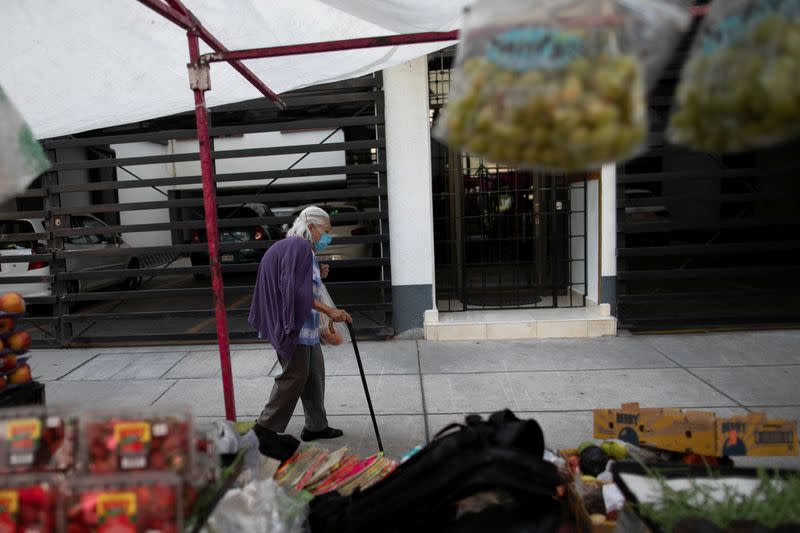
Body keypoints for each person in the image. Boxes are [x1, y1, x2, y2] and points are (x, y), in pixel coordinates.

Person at [248, 206, 352, 455]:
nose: (328, 236)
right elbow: (294, 290)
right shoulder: (298, 247)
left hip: (304, 323)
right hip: (292, 323)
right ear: (312, 226)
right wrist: (330, 311)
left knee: (313, 371)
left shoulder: (302, 249)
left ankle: (316, 426)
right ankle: (263, 428)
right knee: (295, 375)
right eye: (326, 231)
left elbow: (303, 283)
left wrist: (319, 272)